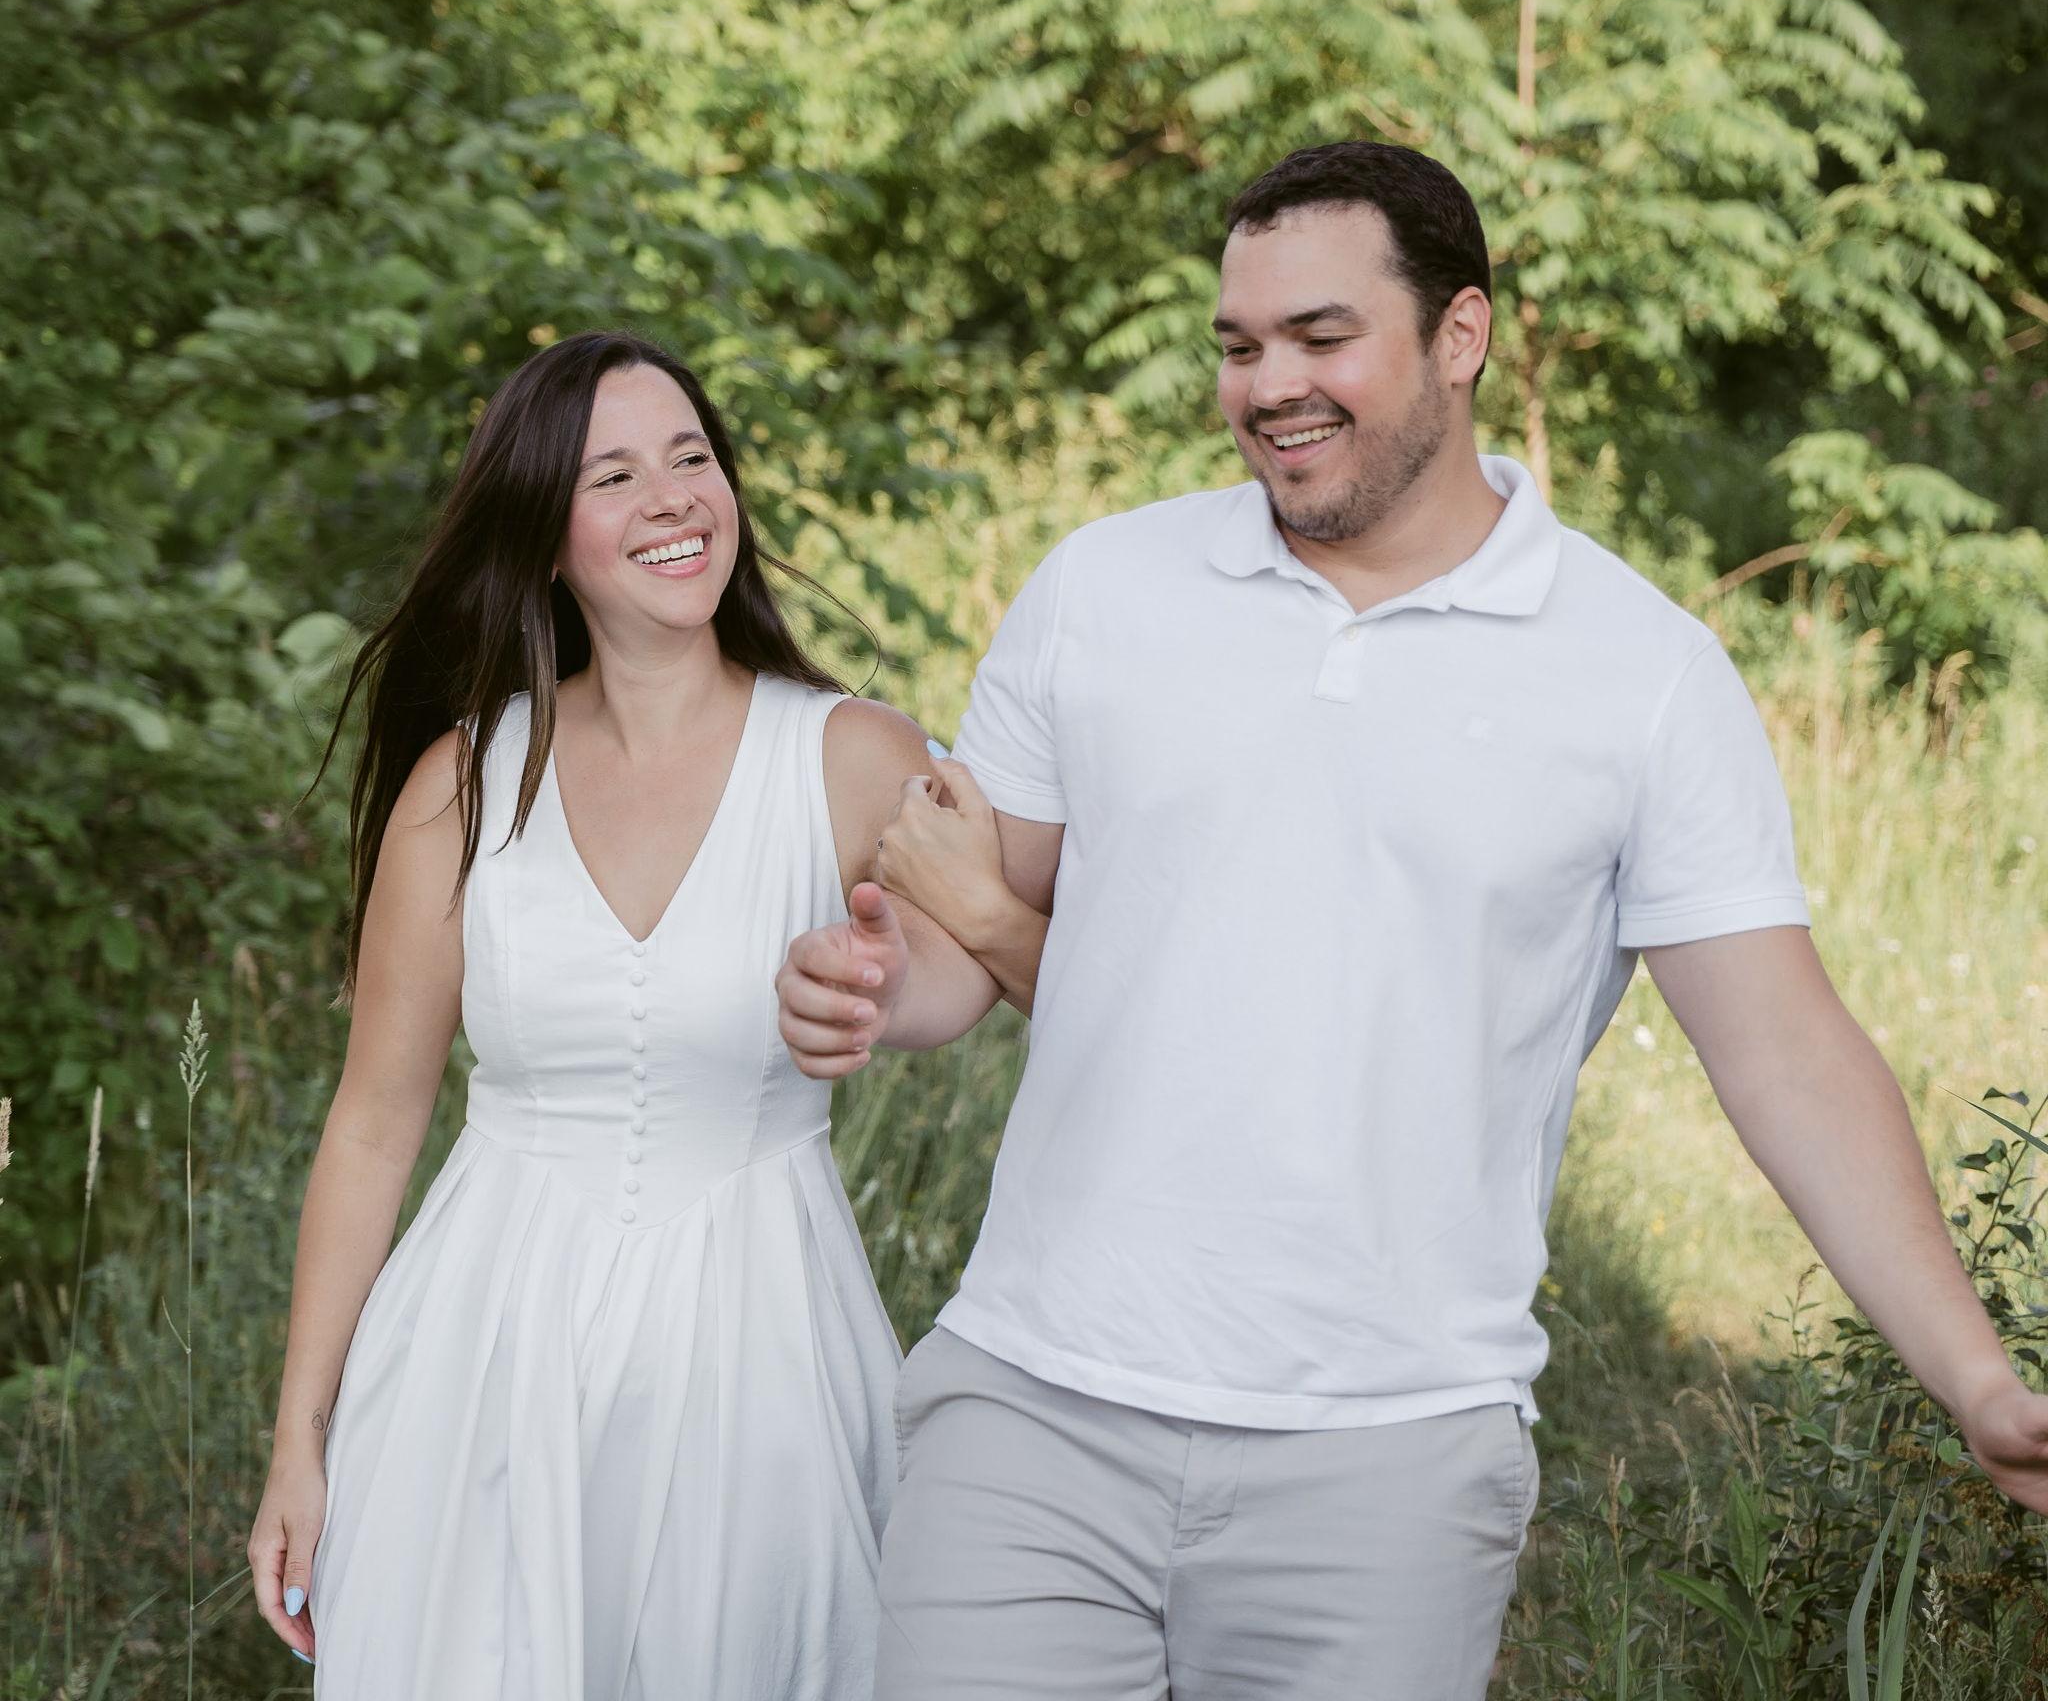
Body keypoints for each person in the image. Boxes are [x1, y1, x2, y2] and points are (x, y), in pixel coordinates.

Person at [777, 143, 2048, 1701]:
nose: (1269, 386)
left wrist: (1975, 1377)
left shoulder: (1641, 674)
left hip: (1386, 1462)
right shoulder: (1104, 587)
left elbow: (1787, 1057)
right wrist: (867, 984)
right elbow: (965, 941)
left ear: (1462, 334)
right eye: (1240, 346)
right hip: (1033, 1408)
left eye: (1321, 337)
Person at [246, 330, 997, 1699]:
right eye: (614, 475)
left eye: (691, 458)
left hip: (759, 1358)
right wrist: (300, 1439)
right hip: (479, 1357)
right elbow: (372, 1124)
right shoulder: (460, 785)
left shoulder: (848, 751)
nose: (672, 498)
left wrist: (886, 993)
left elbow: (965, 971)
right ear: (544, 535)